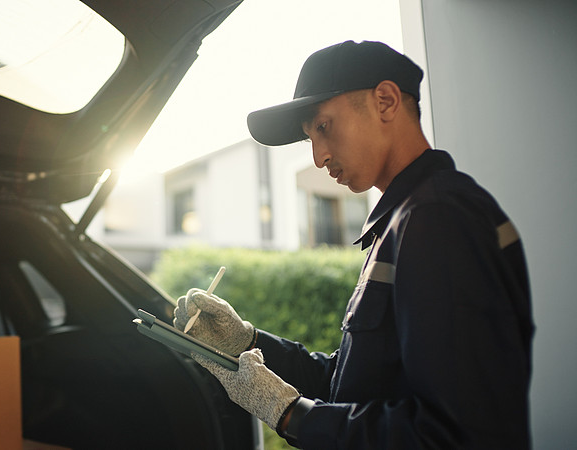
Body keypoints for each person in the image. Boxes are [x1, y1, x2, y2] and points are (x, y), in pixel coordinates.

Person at [173, 40, 534, 449]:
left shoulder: (437, 218)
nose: (318, 157)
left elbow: (455, 434)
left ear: (385, 101)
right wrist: (248, 343)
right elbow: (350, 384)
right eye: (309, 139)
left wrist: (290, 414)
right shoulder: (404, 220)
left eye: (323, 127)